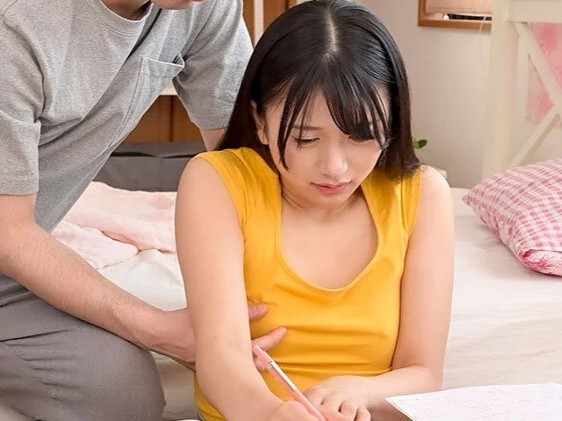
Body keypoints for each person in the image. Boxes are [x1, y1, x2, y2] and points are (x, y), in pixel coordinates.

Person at [0, 0, 286, 419]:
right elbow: (8, 231)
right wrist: (158, 329)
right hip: (9, 236)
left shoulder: (201, 7)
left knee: (122, 391)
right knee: (118, 392)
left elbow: (244, 164)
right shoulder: (16, 24)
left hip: (13, 266)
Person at [175, 0, 455, 420]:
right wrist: (272, 414)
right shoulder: (217, 181)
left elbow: (424, 374)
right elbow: (220, 355)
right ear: (260, 121)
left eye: (362, 136)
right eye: (306, 139)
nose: (335, 168)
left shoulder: (423, 194)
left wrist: (361, 391)